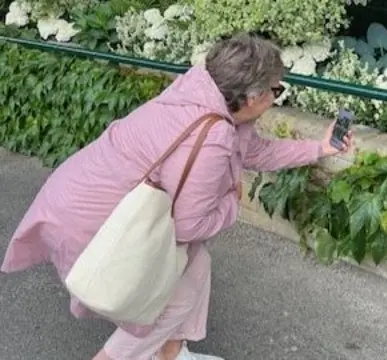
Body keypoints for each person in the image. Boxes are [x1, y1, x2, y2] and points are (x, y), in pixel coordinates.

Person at [0, 34, 354, 360]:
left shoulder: (202, 90)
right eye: (276, 90)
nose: (278, 96)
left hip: (82, 190)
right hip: (94, 218)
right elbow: (188, 227)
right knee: (174, 299)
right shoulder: (213, 135)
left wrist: (319, 147)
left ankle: (170, 354)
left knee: (195, 269)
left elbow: (253, 151)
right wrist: (232, 202)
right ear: (251, 98)